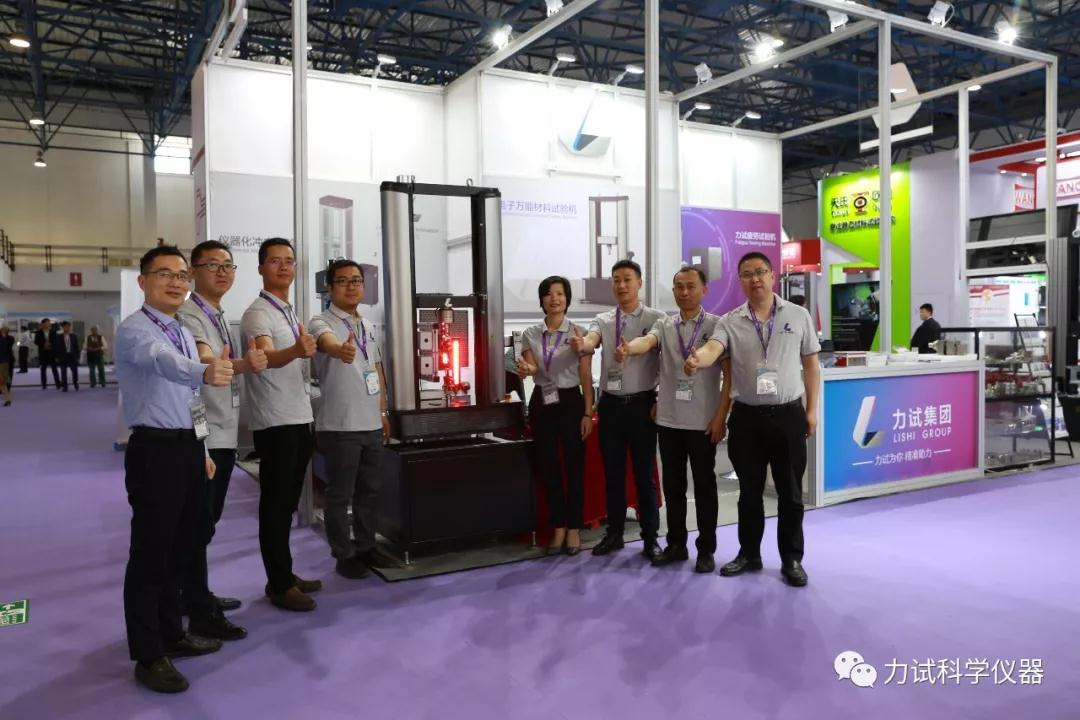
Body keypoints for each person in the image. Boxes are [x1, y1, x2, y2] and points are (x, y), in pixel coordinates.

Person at [115, 245, 235, 693]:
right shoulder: (136, 330)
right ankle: (148, 654)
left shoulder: (181, 329)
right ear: (143, 281)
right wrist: (203, 371)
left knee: (182, 545)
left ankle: (172, 633)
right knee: (151, 554)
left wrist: (202, 447)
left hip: (187, 449)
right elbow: (163, 363)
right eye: (164, 274)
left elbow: (190, 396)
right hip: (155, 451)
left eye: (182, 275)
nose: (176, 282)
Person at [686, 251, 820, 587]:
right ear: (740, 280)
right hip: (746, 418)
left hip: (788, 414)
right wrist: (698, 359)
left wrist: (811, 410)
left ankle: (792, 559)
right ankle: (749, 554)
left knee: (790, 493)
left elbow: (811, 365)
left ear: (773, 276)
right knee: (749, 492)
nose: (755, 279)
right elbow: (714, 349)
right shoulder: (730, 321)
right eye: (747, 274)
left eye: (760, 272)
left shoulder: (798, 315)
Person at [178, 240, 268, 640]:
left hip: (222, 432)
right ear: (193, 272)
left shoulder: (214, 313)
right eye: (212, 265)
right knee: (197, 525)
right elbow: (202, 361)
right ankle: (198, 608)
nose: (222, 272)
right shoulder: (189, 315)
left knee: (205, 523)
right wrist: (243, 364)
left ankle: (193, 595)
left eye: (228, 265)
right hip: (205, 435)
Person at [618, 267, 724, 573]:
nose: (684, 292)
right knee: (673, 487)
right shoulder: (665, 324)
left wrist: (721, 416)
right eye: (679, 286)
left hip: (702, 421)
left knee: (704, 488)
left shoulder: (717, 325)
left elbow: (720, 363)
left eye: (691, 286)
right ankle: (676, 544)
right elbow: (648, 342)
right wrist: (630, 348)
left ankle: (706, 549)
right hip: (668, 420)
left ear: (704, 289)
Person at [241, 238, 320, 611]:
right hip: (275, 421)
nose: (284, 266)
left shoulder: (287, 309)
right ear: (261, 268)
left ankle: (284, 574)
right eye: (275, 261)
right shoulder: (258, 313)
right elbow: (264, 356)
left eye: (289, 260)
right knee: (275, 505)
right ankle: (279, 584)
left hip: (298, 415)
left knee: (286, 504)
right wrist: (296, 351)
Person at [570, 259, 664, 561]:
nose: (621, 285)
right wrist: (583, 343)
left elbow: (663, 357)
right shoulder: (604, 319)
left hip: (642, 404)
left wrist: (660, 400)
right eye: (616, 280)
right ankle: (614, 534)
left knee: (644, 474)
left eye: (627, 279)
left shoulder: (657, 318)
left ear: (639, 283)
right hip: (610, 405)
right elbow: (592, 340)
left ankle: (651, 538)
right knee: (612, 472)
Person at [308, 259, 393, 579]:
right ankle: (343, 554)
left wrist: (383, 411)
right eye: (343, 281)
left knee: (369, 491)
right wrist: (338, 351)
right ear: (330, 288)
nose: (351, 286)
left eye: (356, 280)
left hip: (371, 423)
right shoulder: (321, 321)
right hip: (340, 425)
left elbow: (377, 370)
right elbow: (326, 342)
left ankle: (366, 547)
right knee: (339, 494)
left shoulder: (368, 325)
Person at [517, 275, 594, 555]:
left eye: (560, 293)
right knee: (548, 466)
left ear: (567, 299)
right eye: (549, 294)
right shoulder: (531, 333)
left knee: (574, 466)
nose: (555, 298)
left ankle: (574, 527)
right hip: (543, 401)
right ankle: (558, 525)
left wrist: (588, 412)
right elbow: (533, 368)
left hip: (571, 401)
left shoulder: (579, 332)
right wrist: (527, 370)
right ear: (542, 299)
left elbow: (585, 374)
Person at [34, 318, 61, 390]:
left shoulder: (53, 332)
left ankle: (58, 384)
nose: (48, 324)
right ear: (42, 324)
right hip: (43, 353)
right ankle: (44, 384)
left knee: (54, 369)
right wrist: (43, 344)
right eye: (46, 323)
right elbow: (36, 341)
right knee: (43, 369)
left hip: (52, 353)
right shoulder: (38, 332)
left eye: (49, 323)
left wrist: (51, 345)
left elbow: (56, 341)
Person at [57, 321, 80, 391]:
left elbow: (76, 346)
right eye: (65, 327)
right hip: (63, 356)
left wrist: (78, 356)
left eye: (68, 326)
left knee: (75, 371)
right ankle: (65, 386)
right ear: (62, 327)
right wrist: (57, 356)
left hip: (72, 356)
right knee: (63, 372)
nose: (67, 328)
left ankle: (75, 382)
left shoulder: (73, 336)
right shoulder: (59, 336)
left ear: (70, 327)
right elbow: (57, 347)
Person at [0, 325, 14, 406]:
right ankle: (8, 399)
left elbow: (7, 348)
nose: (4, 330)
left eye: (5, 329)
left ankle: (8, 399)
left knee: (3, 382)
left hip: (4, 362)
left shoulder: (10, 339)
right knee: (2, 382)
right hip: (4, 361)